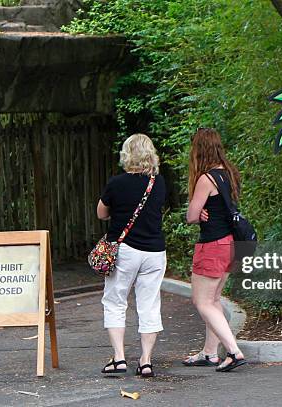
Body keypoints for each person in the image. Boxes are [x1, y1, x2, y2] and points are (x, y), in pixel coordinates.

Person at [97, 133, 167, 378]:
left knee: (115, 301)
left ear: (127, 155)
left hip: (125, 250)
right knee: (149, 304)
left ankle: (119, 358)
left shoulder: (116, 183)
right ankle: (145, 361)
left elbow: (101, 213)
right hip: (155, 252)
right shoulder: (158, 183)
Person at [183, 127, 246, 372]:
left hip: (212, 245)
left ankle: (233, 351)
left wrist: (198, 213)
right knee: (214, 299)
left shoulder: (205, 179)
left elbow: (190, 215)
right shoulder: (228, 174)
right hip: (230, 243)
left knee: (202, 302)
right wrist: (202, 212)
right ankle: (209, 353)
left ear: (199, 150)